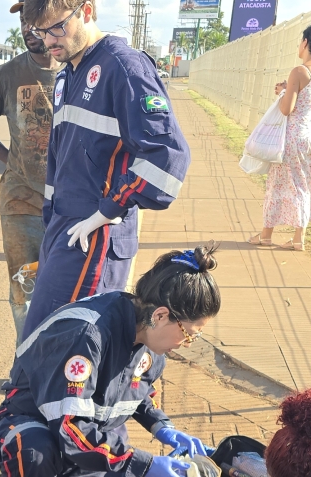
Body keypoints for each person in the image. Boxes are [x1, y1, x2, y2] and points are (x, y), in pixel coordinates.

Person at [0, 245, 219, 477]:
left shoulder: (149, 344)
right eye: (189, 335)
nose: (186, 344)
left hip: (88, 452)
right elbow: (69, 430)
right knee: (35, 455)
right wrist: (144, 465)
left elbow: (135, 393)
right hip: (30, 428)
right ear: (161, 315)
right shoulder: (87, 334)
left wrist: (161, 425)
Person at [19, 0, 191, 338]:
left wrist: (108, 210)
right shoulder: (66, 73)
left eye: (58, 27)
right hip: (64, 229)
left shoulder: (124, 68)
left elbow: (168, 156)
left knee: (67, 347)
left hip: (95, 236)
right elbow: (60, 156)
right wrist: (51, 220)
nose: (50, 40)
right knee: (38, 344)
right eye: (41, 31)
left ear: (85, 11)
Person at [0, 4, 62, 342]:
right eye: (23, 21)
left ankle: (60, 364)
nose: (28, 29)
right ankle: (27, 366)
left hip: (72, 205)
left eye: (36, 21)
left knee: (70, 291)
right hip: (22, 204)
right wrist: (10, 158)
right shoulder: (8, 75)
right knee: (25, 289)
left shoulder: (78, 72)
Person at [248, 24, 311, 252]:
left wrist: (283, 91)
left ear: (305, 42)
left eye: (299, 42)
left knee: (277, 184)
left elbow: (287, 109)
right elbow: (309, 96)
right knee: (302, 185)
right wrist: (289, 88)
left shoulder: (298, 71)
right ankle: (298, 238)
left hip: (293, 137)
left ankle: (266, 235)